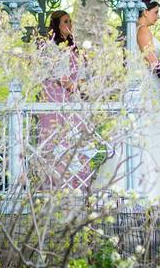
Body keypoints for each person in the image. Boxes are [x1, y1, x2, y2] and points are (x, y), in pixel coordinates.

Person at [96, 0, 160, 204]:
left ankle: (144, 185)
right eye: (156, 12)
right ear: (145, 12)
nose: (158, 17)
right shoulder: (143, 31)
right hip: (144, 89)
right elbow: (153, 63)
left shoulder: (134, 31)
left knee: (145, 135)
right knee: (145, 134)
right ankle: (144, 188)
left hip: (146, 88)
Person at [38, 10, 92, 190]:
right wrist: (74, 87)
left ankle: (78, 184)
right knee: (57, 140)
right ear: (56, 25)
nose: (69, 24)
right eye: (65, 21)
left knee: (75, 140)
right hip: (55, 98)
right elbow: (57, 74)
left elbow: (83, 74)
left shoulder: (75, 47)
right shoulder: (49, 47)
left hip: (73, 100)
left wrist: (84, 87)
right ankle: (56, 185)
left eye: (70, 21)